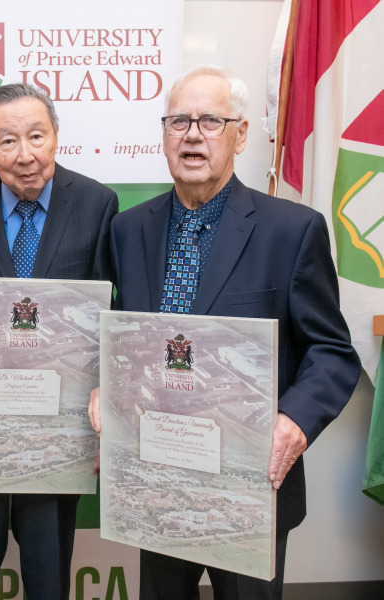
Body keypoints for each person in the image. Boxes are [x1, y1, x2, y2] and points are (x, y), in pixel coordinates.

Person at [88, 65, 361, 599]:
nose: (193, 134)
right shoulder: (127, 230)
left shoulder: (292, 231)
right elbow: (123, 337)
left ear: (239, 135)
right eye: (178, 121)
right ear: (163, 135)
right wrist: (105, 381)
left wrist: (294, 421)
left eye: (211, 121)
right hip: (156, 479)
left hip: (248, 484)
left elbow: (332, 351)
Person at [0, 83, 118, 600]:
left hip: (59, 428)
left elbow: (106, 324)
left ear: (56, 136)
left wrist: (107, 413)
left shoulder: (98, 204)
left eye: (38, 135)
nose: (26, 155)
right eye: (7, 141)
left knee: (48, 576)